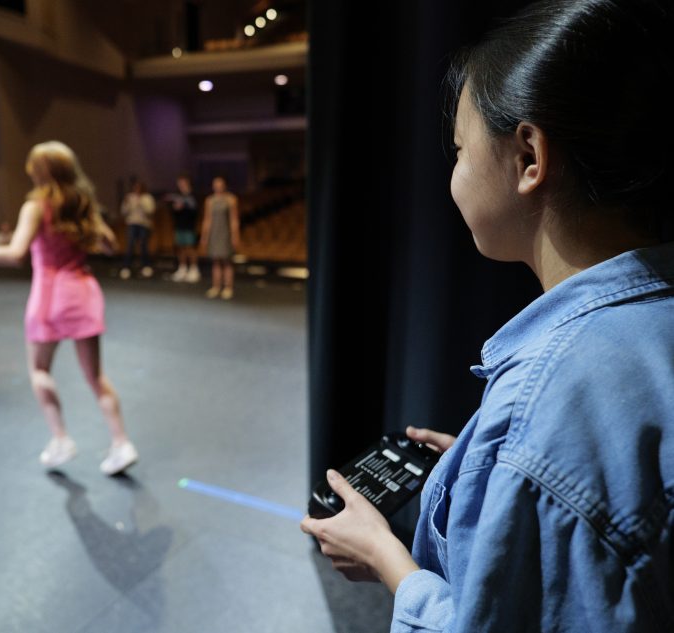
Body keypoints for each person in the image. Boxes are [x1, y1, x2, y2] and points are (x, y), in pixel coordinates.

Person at [301, 0, 674, 630]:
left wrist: (392, 564)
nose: (454, 175)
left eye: (459, 149)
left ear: (529, 156)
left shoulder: (551, 399)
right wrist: (493, 471)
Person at [0, 141, 138, 476]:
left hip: (50, 296)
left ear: (40, 171)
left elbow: (16, 254)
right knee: (96, 377)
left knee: (39, 370)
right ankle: (121, 443)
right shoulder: (82, 204)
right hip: (84, 292)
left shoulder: (37, 205)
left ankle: (60, 439)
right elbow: (110, 245)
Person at [200, 176, 240, 300]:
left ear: (224, 185)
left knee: (227, 261)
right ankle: (216, 287)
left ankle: (228, 288)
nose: (217, 186)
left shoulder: (231, 199)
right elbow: (207, 220)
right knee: (216, 261)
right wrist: (204, 236)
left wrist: (235, 236)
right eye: (215, 184)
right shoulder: (209, 200)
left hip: (226, 233)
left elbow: (234, 220)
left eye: (220, 184)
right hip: (214, 234)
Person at [165, 174, 200, 283]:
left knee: (190, 247)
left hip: (189, 226)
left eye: (183, 183)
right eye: (180, 183)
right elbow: (172, 210)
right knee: (180, 247)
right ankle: (182, 268)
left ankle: (194, 269)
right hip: (179, 225)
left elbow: (196, 211)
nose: (181, 185)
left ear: (188, 183)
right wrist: (175, 208)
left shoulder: (193, 195)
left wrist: (184, 206)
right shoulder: (176, 196)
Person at [119, 179, 156, 279]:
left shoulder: (147, 198)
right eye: (135, 187)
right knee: (130, 244)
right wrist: (126, 203)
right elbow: (123, 212)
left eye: (139, 187)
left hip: (144, 224)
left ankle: (146, 266)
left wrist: (141, 202)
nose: (136, 189)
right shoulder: (129, 197)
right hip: (132, 223)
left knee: (144, 245)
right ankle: (126, 267)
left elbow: (150, 211)